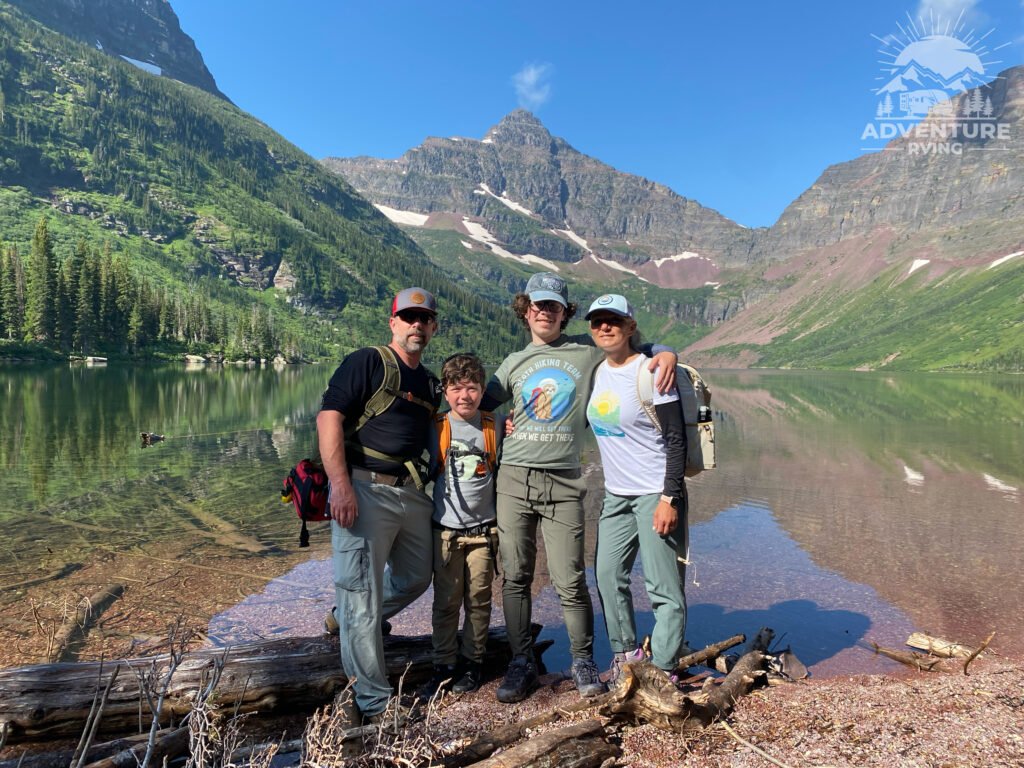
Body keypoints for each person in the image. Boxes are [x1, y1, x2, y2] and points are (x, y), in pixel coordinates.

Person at [483, 272, 678, 703]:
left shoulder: (587, 352)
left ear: (564, 313)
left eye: (553, 306)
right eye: (537, 305)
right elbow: (474, 406)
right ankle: (521, 660)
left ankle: (583, 659)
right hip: (513, 478)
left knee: (570, 579)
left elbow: (636, 349)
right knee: (515, 575)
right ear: (525, 311)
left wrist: (667, 352)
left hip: (564, 482)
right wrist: (499, 422)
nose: (544, 312)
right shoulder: (512, 363)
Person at [316, 287, 442, 722]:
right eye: (408, 317)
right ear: (393, 322)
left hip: (411, 493)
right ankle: (374, 701)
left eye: (424, 319)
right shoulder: (367, 361)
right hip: (363, 489)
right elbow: (329, 418)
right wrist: (340, 485)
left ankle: (344, 616)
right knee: (362, 597)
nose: (416, 325)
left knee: (416, 577)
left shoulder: (430, 382)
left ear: (433, 327)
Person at [585, 294, 689, 685]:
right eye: (597, 321)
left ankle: (663, 668)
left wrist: (669, 497)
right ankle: (627, 657)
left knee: (663, 587)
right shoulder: (597, 371)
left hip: (654, 493)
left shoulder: (652, 371)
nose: (604, 327)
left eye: (613, 320)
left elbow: (676, 439)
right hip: (616, 495)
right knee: (608, 574)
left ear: (630, 326)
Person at [418, 353, 502, 698]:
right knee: (446, 603)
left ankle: (472, 662)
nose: (464, 396)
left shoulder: (494, 425)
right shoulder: (436, 426)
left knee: (479, 601)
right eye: (456, 388)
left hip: (484, 533)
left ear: (482, 390)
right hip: (446, 533)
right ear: (445, 391)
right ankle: (444, 664)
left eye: (472, 388)